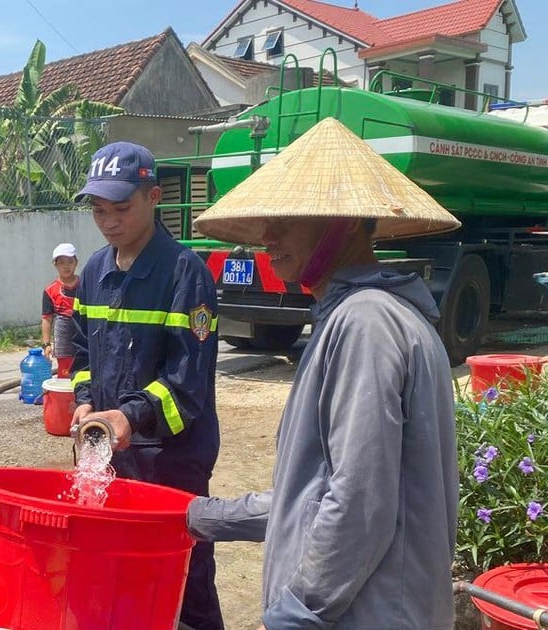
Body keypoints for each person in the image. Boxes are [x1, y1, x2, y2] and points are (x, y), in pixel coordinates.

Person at [187, 117, 461, 628]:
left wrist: (296, 612)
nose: (267, 235)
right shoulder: (366, 316)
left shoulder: (365, 322)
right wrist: (200, 518)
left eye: (289, 218)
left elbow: (359, 501)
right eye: (267, 220)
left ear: (347, 222)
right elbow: (312, 494)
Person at [69, 142, 224, 630]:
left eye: (121, 208)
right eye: (98, 211)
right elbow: (82, 353)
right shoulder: (93, 271)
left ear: (154, 196)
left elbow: (187, 384)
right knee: (117, 568)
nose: (109, 222)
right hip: (111, 450)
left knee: (185, 573)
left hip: (171, 461)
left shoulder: (185, 274)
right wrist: (85, 400)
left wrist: (129, 417)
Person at [41, 242, 79, 378]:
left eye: (70, 261)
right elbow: (47, 318)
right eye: (62, 262)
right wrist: (46, 344)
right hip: (63, 337)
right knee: (65, 373)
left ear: (76, 262)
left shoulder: (85, 285)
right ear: (55, 265)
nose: (66, 266)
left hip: (83, 335)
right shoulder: (50, 290)